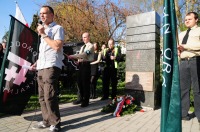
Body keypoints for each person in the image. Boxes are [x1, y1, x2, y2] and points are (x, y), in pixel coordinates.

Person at [31, 6, 65, 132]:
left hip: (52, 65)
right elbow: (44, 52)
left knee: (49, 95)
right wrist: (36, 63)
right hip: (41, 66)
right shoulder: (43, 32)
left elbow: (56, 46)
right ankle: (46, 121)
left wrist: (44, 34)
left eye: (44, 13)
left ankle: (55, 123)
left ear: (52, 15)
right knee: (41, 97)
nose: (42, 16)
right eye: (40, 14)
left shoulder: (58, 28)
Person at [178, 12, 200, 122]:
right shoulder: (181, 34)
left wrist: (185, 47)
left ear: (196, 20)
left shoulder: (199, 30)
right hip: (183, 62)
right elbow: (179, 47)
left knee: (197, 89)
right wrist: (178, 50)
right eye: (185, 19)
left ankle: (199, 115)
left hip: (196, 60)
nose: (186, 21)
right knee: (184, 89)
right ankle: (183, 114)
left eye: (189, 19)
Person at [68, 32, 94, 107]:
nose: (83, 39)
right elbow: (80, 57)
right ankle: (80, 98)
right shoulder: (82, 47)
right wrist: (77, 61)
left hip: (86, 65)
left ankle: (86, 101)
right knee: (79, 82)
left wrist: (73, 56)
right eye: (83, 37)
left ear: (89, 37)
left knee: (85, 83)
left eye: (85, 37)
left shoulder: (90, 46)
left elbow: (85, 54)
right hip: (81, 66)